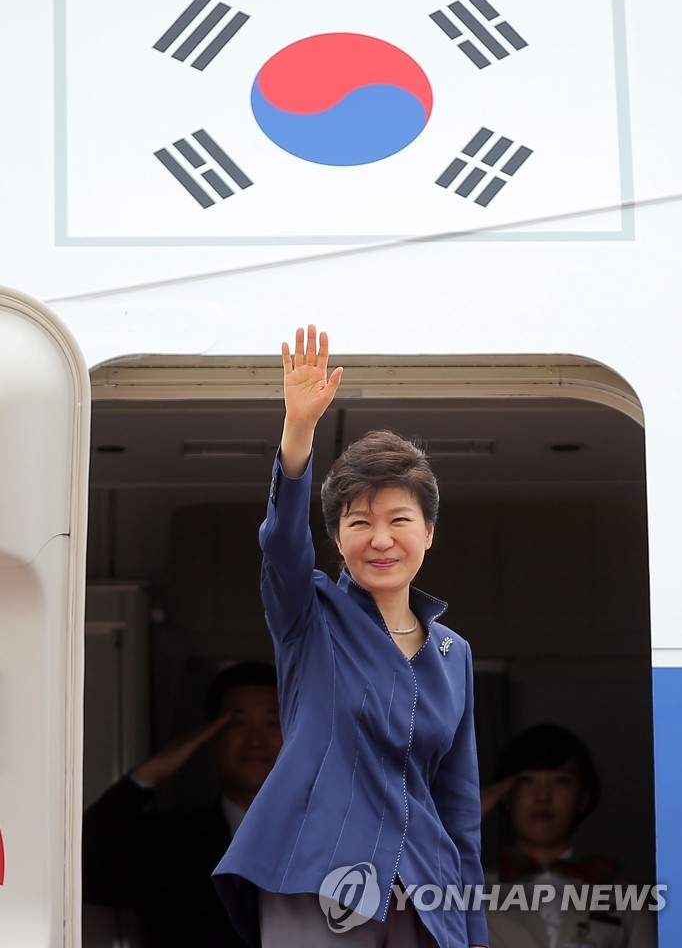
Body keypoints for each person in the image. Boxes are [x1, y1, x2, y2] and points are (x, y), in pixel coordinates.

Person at [212, 325, 488, 948]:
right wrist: (298, 432)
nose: (381, 539)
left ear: (429, 533)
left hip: (423, 889)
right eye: (360, 522)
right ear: (337, 538)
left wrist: (472, 932)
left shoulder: (454, 653)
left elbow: (459, 806)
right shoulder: (309, 614)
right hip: (318, 877)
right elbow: (283, 544)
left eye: (399, 520)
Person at [82, 661, 282, 948]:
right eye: (236, 723)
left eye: (273, 723)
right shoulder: (166, 844)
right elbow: (80, 873)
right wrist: (147, 775)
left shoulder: (332, 841)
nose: (255, 741)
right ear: (212, 738)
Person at [483, 723, 658, 948]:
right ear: (505, 795)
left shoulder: (625, 898)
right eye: (526, 780)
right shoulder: (468, 890)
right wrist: (464, 816)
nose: (542, 796)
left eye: (561, 780)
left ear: (583, 796)